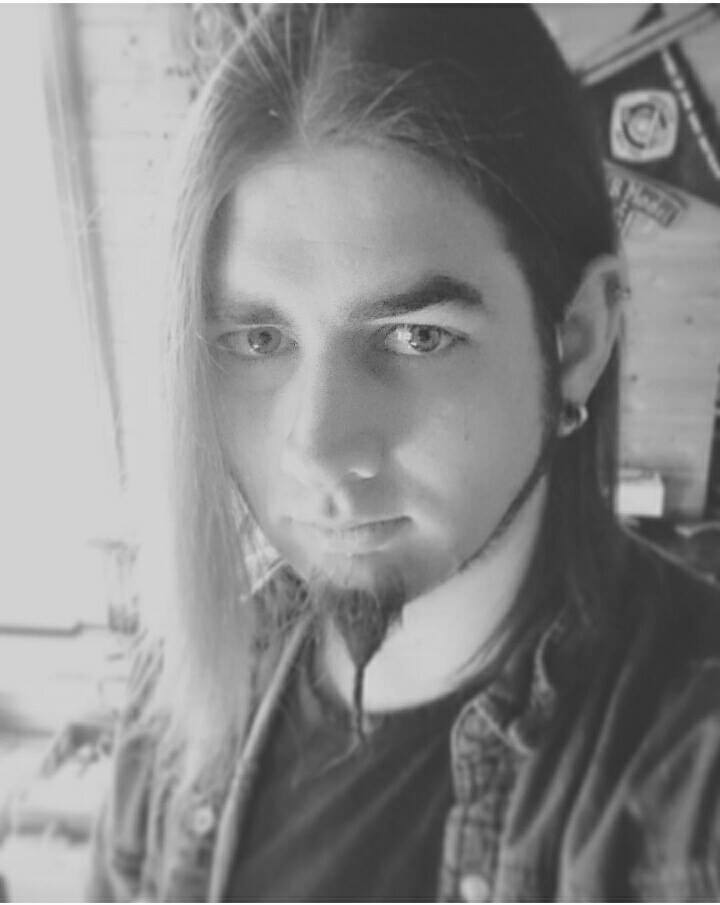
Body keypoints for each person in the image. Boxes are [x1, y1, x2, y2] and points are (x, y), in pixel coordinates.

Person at [87, 5, 720, 902]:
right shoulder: (183, 691)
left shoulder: (688, 771)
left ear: (576, 339)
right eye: (257, 341)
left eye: (416, 336)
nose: (317, 449)